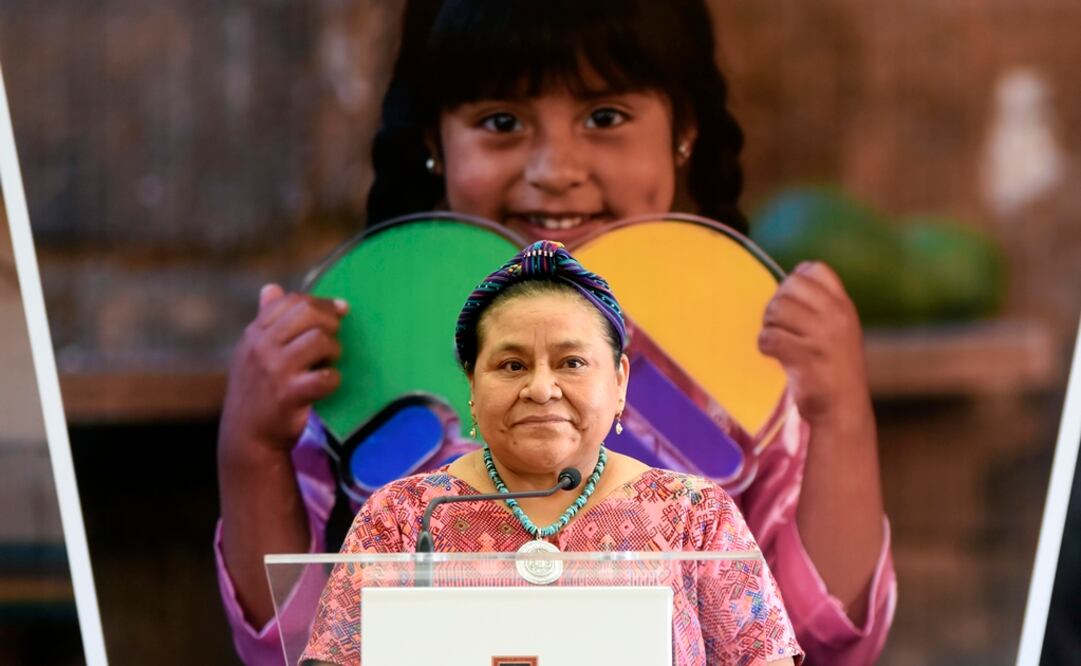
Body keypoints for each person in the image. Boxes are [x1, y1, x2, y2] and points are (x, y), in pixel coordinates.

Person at [216, 1, 895, 663]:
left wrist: (840, 416)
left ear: (682, 131)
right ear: (433, 143)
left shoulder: (743, 350)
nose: (554, 171)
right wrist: (251, 446)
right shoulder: (365, 352)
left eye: (604, 117)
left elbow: (821, 643)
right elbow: (293, 644)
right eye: (501, 122)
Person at [301, 240, 803, 665]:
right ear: (472, 385)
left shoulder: (694, 516)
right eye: (512, 365)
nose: (541, 389)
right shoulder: (403, 517)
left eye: (572, 362)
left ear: (620, 382)